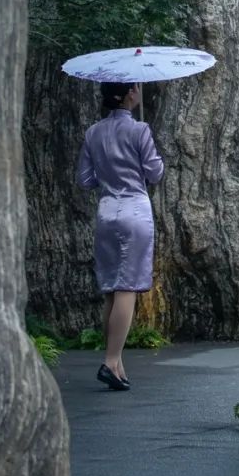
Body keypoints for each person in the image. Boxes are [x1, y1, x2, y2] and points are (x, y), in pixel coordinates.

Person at [77, 81, 165, 391]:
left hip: (106, 213)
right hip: (135, 213)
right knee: (127, 287)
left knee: (112, 290)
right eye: (137, 87)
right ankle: (111, 361)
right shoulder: (140, 130)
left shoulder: (93, 132)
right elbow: (154, 173)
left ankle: (117, 362)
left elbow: (85, 179)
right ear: (130, 94)